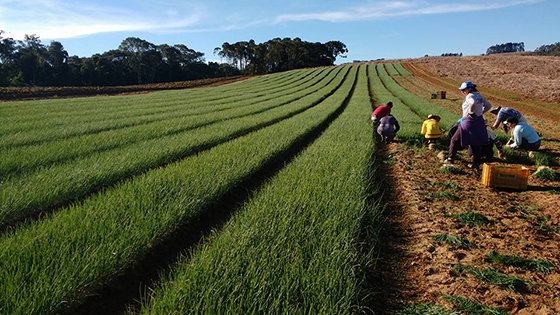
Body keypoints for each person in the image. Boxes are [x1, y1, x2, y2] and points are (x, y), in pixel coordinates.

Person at [443, 81, 491, 168]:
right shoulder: (479, 96)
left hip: (469, 121)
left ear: (469, 89)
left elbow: (472, 103)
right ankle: (476, 163)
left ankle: (450, 159)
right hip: (479, 121)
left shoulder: (470, 96)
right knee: (475, 142)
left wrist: (472, 113)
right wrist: (480, 113)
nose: (462, 91)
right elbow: (488, 105)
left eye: (464, 90)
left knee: (454, 139)